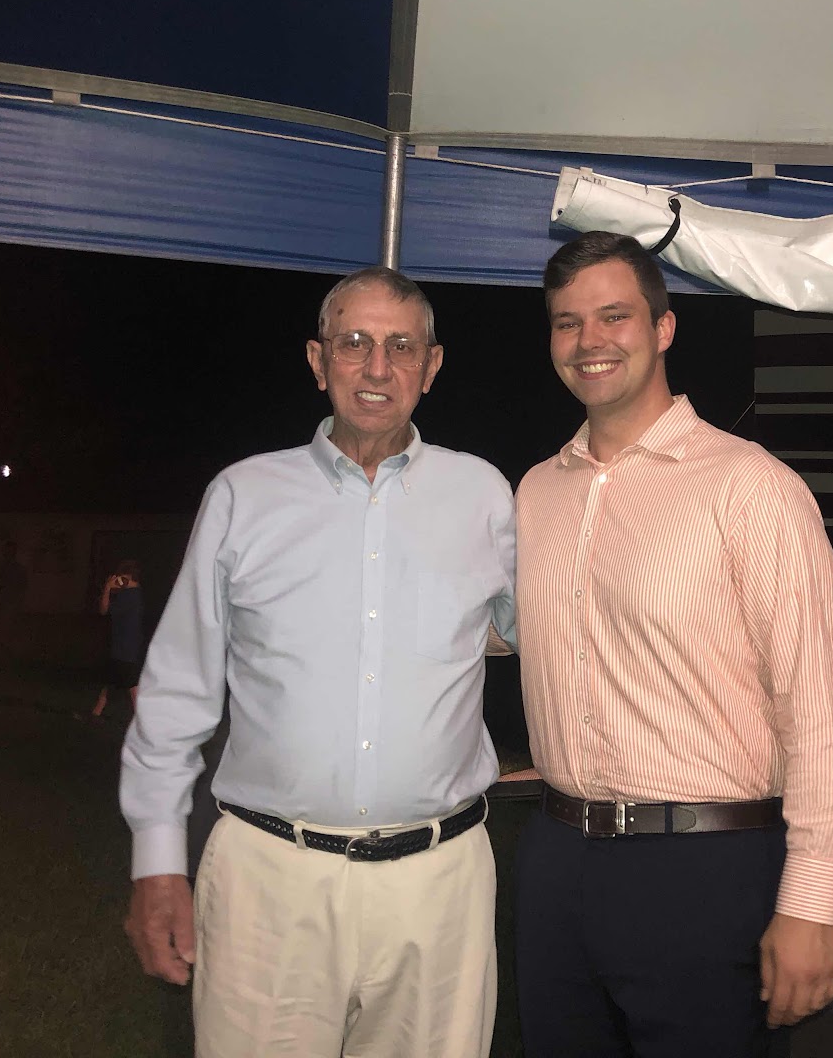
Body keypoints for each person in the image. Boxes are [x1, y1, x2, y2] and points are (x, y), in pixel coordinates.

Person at [119, 266, 516, 1058]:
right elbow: (177, 690)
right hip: (269, 881)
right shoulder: (243, 496)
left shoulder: (484, 495)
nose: (378, 367)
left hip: (440, 886)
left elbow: (554, 638)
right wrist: (156, 861)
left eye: (402, 346)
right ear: (317, 358)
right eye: (354, 342)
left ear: (432, 366)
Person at [513, 231, 833, 1057]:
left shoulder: (750, 486)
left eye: (614, 316)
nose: (589, 341)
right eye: (567, 323)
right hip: (557, 861)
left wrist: (812, 901)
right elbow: (512, 630)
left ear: (663, 328)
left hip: (706, 869)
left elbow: (819, 707)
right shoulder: (535, 491)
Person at [92, 559, 145, 719]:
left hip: (125, 648)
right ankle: (96, 712)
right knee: (111, 680)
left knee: (131, 684)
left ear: (128, 577)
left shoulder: (130, 596)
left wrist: (108, 588)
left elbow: (104, 610)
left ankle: (141, 719)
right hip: (123, 646)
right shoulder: (133, 594)